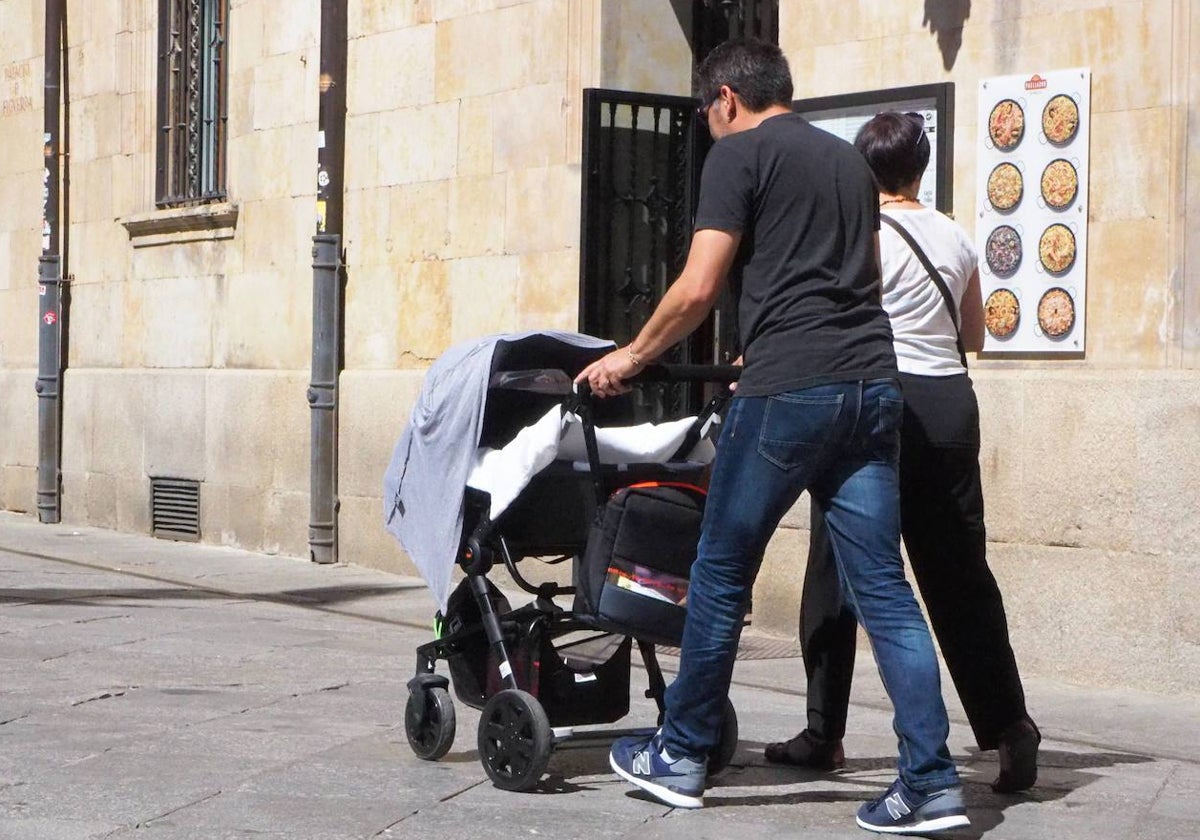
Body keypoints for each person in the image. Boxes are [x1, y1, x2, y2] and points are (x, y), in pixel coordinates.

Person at [577, 41, 969, 835]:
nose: (706, 124)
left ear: (725, 98)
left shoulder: (739, 156)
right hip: (871, 386)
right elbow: (850, 276)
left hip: (789, 391)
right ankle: (930, 780)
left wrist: (631, 355)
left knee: (720, 572)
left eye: (703, 111)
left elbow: (697, 286)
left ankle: (681, 753)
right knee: (886, 592)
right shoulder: (849, 164)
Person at [764, 111, 1041, 794]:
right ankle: (1010, 728)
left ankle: (823, 731)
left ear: (863, 169)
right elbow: (972, 333)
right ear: (920, 167)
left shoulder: (860, 233)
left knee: (838, 568)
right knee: (959, 577)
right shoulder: (954, 236)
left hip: (876, 401)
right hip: (949, 406)